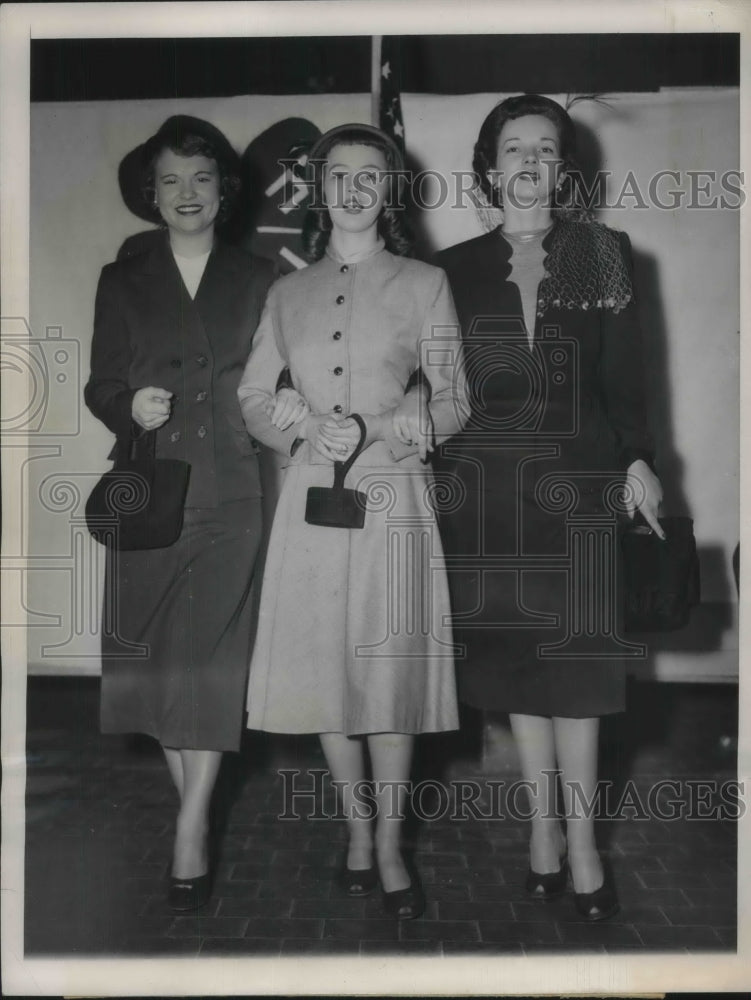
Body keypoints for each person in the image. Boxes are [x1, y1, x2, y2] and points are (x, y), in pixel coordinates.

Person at [434, 94, 664, 921]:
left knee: (584, 675)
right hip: (488, 500)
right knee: (518, 675)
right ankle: (540, 833)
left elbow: (626, 381)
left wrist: (639, 458)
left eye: (544, 147)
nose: (528, 161)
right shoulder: (451, 269)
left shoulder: (601, 254)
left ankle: (586, 842)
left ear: (563, 167)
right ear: (489, 167)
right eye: (512, 148)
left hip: (581, 492)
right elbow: (435, 386)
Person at [237, 123, 468, 919]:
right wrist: (297, 423)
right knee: (326, 672)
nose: (355, 188)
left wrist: (403, 413)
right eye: (340, 174)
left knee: (390, 673)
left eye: (372, 175)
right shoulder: (285, 292)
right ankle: (356, 831)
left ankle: (394, 843)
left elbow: (455, 397)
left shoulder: (423, 282)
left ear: (390, 189)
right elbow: (253, 397)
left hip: (393, 497)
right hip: (312, 502)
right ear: (318, 186)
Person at [84, 115, 275, 911]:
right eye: (170, 180)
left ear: (222, 190)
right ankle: (193, 811)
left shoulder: (262, 277)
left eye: (200, 178)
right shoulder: (121, 279)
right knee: (159, 669)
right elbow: (99, 384)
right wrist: (132, 403)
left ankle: (192, 825)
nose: (186, 194)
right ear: (150, 193)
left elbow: (281, 383)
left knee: (210, 666)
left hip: (234, 494)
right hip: (152, 495)